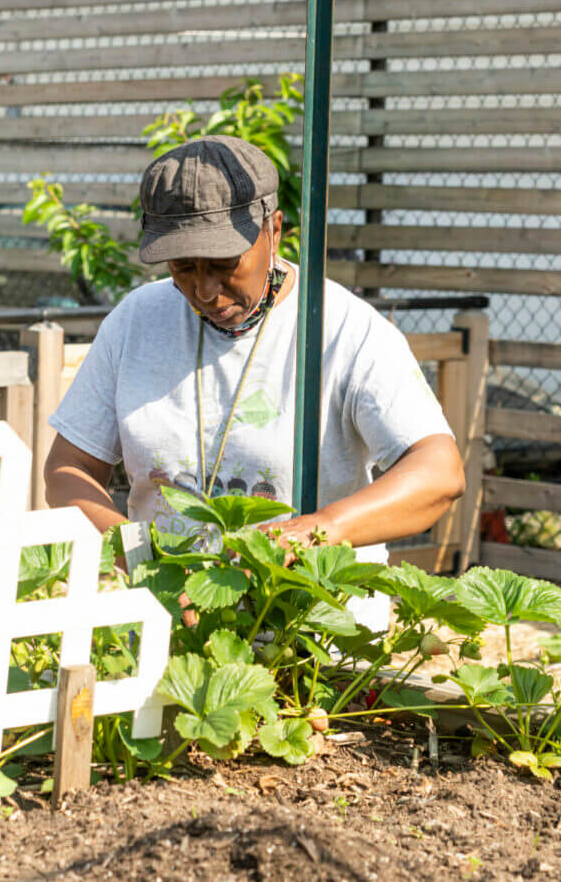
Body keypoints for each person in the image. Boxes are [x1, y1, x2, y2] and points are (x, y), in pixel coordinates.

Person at [43, 135, 463, 626]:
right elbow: (67, 471)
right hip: (169, 630)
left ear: (275, 230)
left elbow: (439, 473)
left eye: (224, 265)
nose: (204, 289)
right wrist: (142, 559)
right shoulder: (136, 321)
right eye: (183, 267)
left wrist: (312, 533)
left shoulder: (344, 330)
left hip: (316, 645)